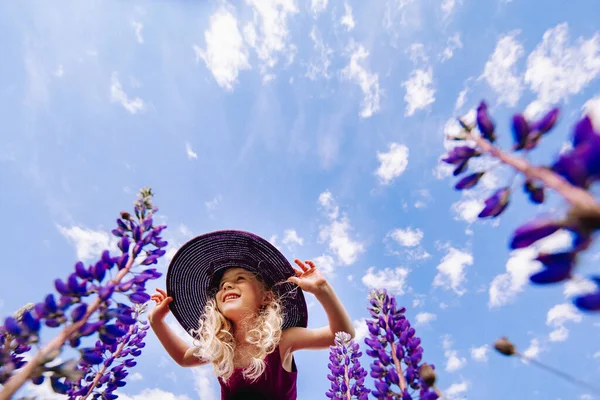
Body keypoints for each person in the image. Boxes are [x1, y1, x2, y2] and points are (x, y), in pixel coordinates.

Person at [148, 230, 355, 400]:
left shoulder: (282, 341)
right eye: (222, 285)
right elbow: (184, 357)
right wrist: (156, 321)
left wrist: (322, 289)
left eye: (240, 279)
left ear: (266, 297)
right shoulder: (222, 351)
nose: (228, 284)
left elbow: (341, 335)